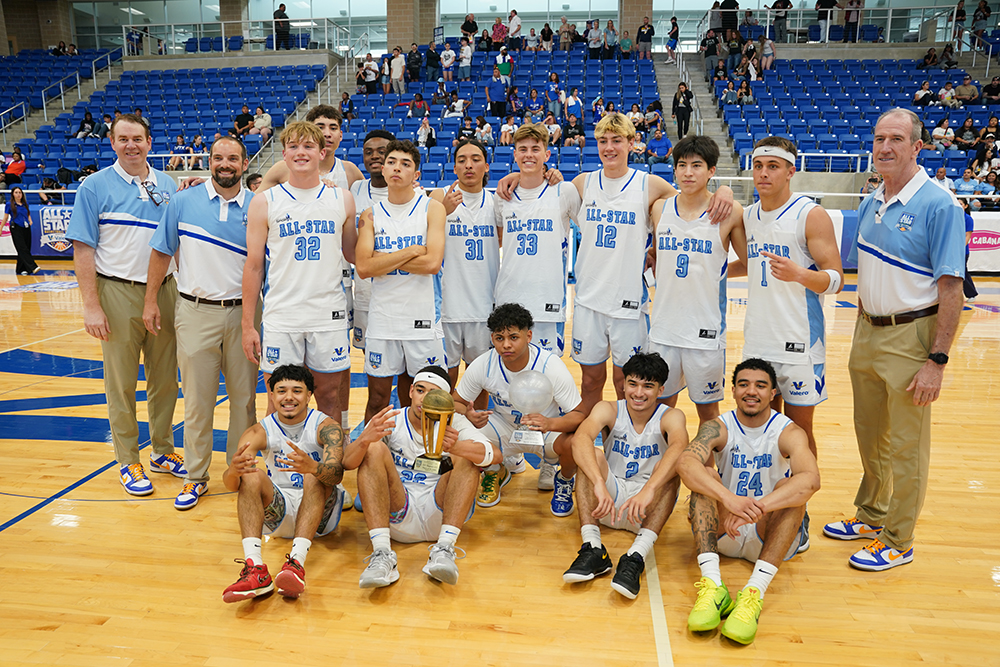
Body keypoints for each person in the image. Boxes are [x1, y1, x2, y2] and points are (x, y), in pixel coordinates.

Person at [822, 108, 965, 571]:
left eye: (897, 139)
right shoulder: (871, 202)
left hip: (911, 335)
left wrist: (936, 360)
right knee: (870, 433)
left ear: (917, 147)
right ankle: (872, 513)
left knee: (906, 445)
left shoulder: (941, 205)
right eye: (879, 138)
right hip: (867, 330)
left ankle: (899, 539)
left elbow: (952, 289)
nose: (885, 147)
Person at [65, 113, 186, 496]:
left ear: (149, 142)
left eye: (137, 138)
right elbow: (83, 249)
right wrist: (91, 305)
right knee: (121, 383)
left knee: (165, 380)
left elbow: (175, 242)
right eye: (123, 139)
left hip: (164, 291)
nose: (131, 145)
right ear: (112, 143)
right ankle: (128, 459)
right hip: (116, 292)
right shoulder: (93, 187)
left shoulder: (167, 184)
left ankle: (162, 451)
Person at [144, 136, 258, 511]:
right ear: (209, 162)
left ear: (244, 163)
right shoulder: (182, 201)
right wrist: (150, 301)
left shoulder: (259, 206)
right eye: (218, 158)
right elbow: (161, 252)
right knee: (197, 402)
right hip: (194, 311)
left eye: (233, 158)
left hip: (245, 314)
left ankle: (240, 472)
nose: (225, 164)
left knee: (244, 401)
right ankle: (195, 477)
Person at [679, 358, 819, 644]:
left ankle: (754, 592)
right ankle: (713, 585)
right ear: (733, 390)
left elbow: (811, 480)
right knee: (704, 478)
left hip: (767, 533)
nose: (751, 391)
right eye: (743, 384)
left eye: (760, 386)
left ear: (773, 393)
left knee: (790, 489)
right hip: (726, 530)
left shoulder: (788, 431)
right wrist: (729, 500)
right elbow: (685, 463)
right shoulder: (718, 426)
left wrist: (756, 508)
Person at [737, 136, 844, 491]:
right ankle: (769, 494)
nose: (763, 173)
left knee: (799, 431)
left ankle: (800, 504)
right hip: (757, 340)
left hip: (800, 343)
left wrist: (800, 273)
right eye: (758, 166)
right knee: (761, 428)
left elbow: (836, 279)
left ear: (790, 171)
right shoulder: (748, 216)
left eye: (773, 166)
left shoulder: (810, 215)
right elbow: (751, 264)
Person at [241, 121, 356, 431]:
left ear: (322, 153)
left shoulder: (342, 199)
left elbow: (354, 254)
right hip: (282, 316)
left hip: (327, 315)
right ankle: (278, 461)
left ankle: (329, 461)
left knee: (329, 397)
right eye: (293, 146)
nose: (300, 152)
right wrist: (248, 325)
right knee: (278, 399)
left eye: (308, 146)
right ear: (284, 154)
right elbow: (254, 266)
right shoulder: (265, 201)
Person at [349, 366, 499, 588]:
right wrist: (363, 440)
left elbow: (495, 455)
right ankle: (382, 553)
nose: (424, 399)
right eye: (420, 390)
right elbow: (347, 463)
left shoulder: (456, 422)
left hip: (442, 513)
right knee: (372, 448)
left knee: (468, 455)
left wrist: (457, 447)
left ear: (445, 400)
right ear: (410, 391)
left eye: (433, 393)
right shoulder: (391, 419)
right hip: (398, 511)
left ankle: (444, 549)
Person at [563, 352, 688, 599]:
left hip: (646, 508)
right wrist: (598, 483)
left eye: (648, 386)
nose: (638, 393)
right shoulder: (608, 409)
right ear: (623, 384)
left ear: (661, 389)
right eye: (633, 384)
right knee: (591, 456)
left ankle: (636, 556)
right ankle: (593, 547)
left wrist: (649, 490)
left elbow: (679, 447)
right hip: (607, 501)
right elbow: (580, 439)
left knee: (673, 464)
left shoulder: (671, 416)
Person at [220, 365, 348, 602]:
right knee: (250, 474)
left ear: (309, 395)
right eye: (281, 391)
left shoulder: (327, 427)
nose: (289, 397)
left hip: (321, 515)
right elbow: (231, 485)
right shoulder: (258, 431)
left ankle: (297, 563)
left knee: (313, 476)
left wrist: (313, 467)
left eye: (297, 391)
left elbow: (337, 476)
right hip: (279, 511)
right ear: (272, 395)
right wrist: (233, 472)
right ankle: (255, 568)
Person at [648, 136, 747, 427]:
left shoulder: (730, 212)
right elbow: (656, 254)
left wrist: (716, 272)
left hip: (705, 332)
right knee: (660, 409)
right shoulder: (659, 209)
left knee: (708, 412)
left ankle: (708, 459)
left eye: (696, 165)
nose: (688, 172)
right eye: (682, 165)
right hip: (663, 328)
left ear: (711, 170)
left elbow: (750, 263)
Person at [455, 303, 586, 511]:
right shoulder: (484, 364)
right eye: (500, 338)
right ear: (492, 339)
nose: (506, 345)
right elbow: (455, 402)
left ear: (528, 336)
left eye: (513, 337)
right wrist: (468, 414)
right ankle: (495, 470)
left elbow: (579, 415)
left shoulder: (550, 365)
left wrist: (550, 423)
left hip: (545, 431)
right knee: (458, 429)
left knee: (575, 441)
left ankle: (564, 478)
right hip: (505, 428)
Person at [355, 140, 447, 423]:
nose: (397, 168)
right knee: (377, 399)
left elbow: (432, 264)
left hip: (422, 320)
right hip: (383, 320)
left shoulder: (432, 208)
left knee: (420, 399)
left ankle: (417, 447)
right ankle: (374, 448)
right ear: (383, 169)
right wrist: (411, 251)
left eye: (405, 164)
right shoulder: (370, 214)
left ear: (415, 174)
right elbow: (364, 267)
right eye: (392, 162)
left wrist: (383, 258)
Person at [428, 140, 499, 393]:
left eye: (475, 159)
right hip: (446, 307)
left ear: (486, 166)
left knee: (480, 382)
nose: (469, 165)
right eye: (462, 160)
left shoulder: (496, 202)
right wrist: (442, 212)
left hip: (483, 308)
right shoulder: (438, 197)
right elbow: (421, 238)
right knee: (442, 381)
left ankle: (476, 421)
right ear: (454, 167)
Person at [348, 130, 395, 354]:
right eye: (368, 152)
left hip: (398, 293)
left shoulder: (411, 193)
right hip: (365, 293)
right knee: (371, 361)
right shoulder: (355, 189)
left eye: (381, 151)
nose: (374, 156)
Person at [2, 186, 39, 275]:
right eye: (16, 193)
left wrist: (30, 220)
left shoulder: (25, 203)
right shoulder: (9, 204)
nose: (18, 194)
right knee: (22, 247)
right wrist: (1, 228)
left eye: (20, 192)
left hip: (26, 227)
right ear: (13, 194)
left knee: (26, 247)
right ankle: (33, 267)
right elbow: (5, 217)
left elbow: (27, 213)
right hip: (16, 227)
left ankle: (21, 269)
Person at [960, 198, 979, 298]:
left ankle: (971, 294)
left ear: (966, 206)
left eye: (961, 204)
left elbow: (967, 236)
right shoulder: (951, 217)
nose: (959, 206)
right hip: (950, 250)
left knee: (962, 271)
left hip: (962, 251)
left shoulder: (968, 219)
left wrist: (960, 249)